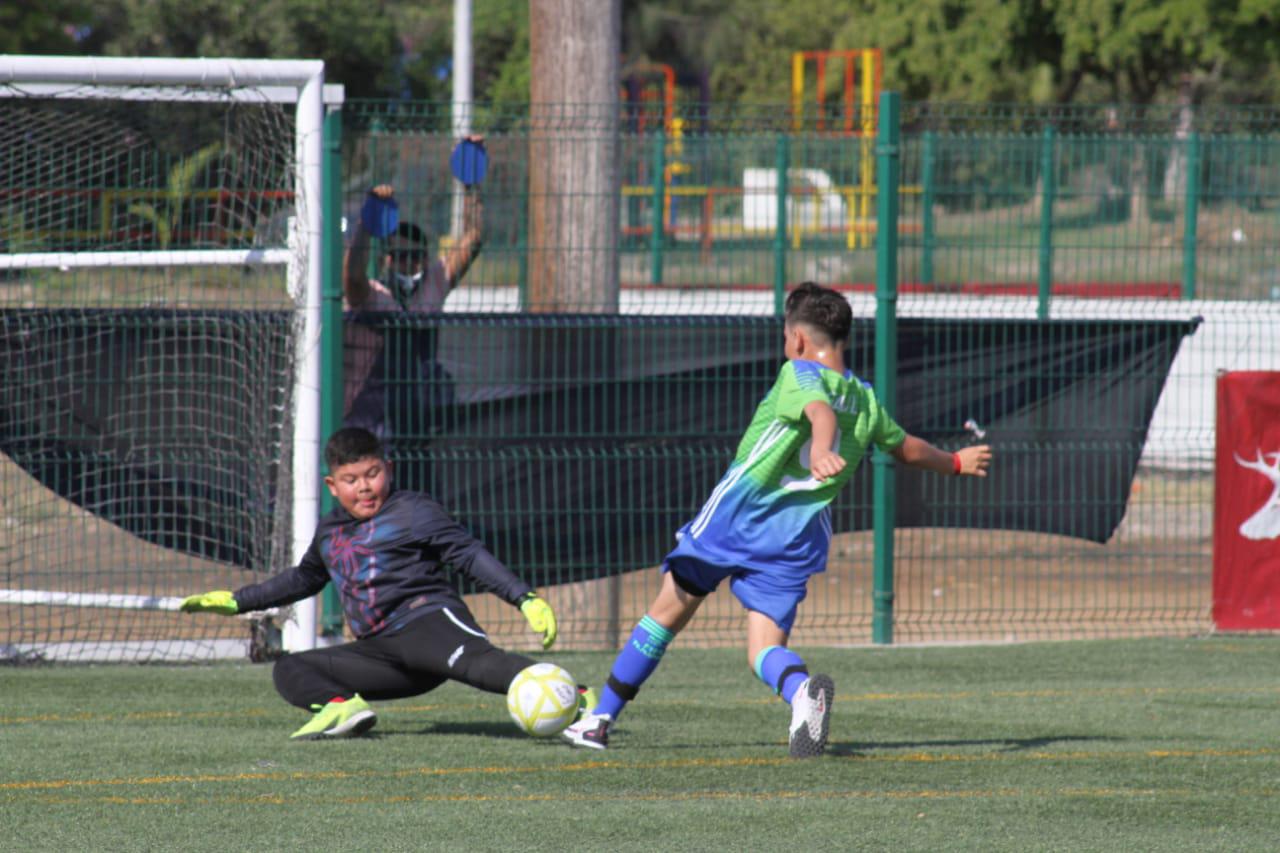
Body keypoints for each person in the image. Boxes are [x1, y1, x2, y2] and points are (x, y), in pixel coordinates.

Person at [562, 281, 993, 758]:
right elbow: (904, 447)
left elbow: (819, 412)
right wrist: (954, 462)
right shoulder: (867, 401)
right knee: (763, 648)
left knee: (666, 614)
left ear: (798, 340)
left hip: (736, 521)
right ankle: (801, 693)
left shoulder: (800, 373)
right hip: (793, 541)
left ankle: (599, 720)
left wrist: (823, 448)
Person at [179, 426, 584, 741]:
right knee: (290, 669)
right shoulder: (330, 531)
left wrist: (524, 597)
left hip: (427, 623)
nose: (364, 486)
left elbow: (468, 554)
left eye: (372, 474)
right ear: (332, 486)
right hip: (383, 654)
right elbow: (304, 578)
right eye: (351, 479)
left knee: (481, 666)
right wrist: (238, 601)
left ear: (387, 469)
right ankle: (343, 709)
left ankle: (577, 699)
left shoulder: (413, 510)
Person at [341, 141, 484, 440]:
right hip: (370, 416)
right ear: (386, 260)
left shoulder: (434, 283)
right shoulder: (373, 293)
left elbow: (474, 238)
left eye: (416, 256)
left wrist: (471, 184)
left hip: (417, 415)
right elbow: (352, 274)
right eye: (401, 256)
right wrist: (367, 224)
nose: (410, 263)